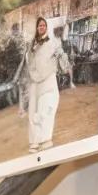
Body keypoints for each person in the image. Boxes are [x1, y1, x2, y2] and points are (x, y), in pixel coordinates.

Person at [17, 15, 71, 152]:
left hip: (48, 79)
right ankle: (34, 142)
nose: (42, 27)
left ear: (46, 27)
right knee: (32, 111)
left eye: (44, 25)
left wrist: (63, 60)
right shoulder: (31, 45)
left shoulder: (52, 42)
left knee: (45, 109)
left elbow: (61, 55)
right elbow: (27, 62)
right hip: (34, 81)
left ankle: (45, 139)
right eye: (39, 25)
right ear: (36, 28)